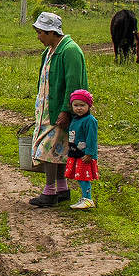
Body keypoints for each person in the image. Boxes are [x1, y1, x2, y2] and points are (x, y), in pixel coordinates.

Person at [29, 11, 87, 208]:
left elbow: (73, 84)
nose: (38, 36)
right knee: (59, 148)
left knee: (49, 150)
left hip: (58, 111)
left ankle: (49, 192)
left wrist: (66, 110)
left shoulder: (70, 51)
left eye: (40, 32)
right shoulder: (50, 51)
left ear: (51, 32)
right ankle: (62, 188)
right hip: (47, 109)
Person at [65, 89, 99, 210]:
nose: (79, 108)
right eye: (76, 105)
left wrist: (90, 153)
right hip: (76, 153)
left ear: (89, 105)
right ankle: (85, 197)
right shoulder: (75, 119)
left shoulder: (90, 121)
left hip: (84, 155)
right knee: (79, 177)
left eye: (82, 105)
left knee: (83, 177)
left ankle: (88, 199)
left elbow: (92, 138)